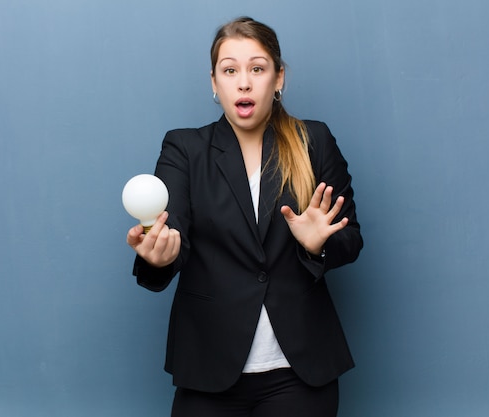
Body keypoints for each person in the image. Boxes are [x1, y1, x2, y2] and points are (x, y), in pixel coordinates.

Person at [126, 16, 363, 417]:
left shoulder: (313, 140)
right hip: (209, 368)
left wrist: (318, 246)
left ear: (279, 77)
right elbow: (172, 236)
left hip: (301, 372)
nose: (244, 82)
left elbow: (351, 239)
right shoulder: (184, 148)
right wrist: (159, 257)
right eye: (230, 70)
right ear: (214, 83)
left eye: (257, 68)